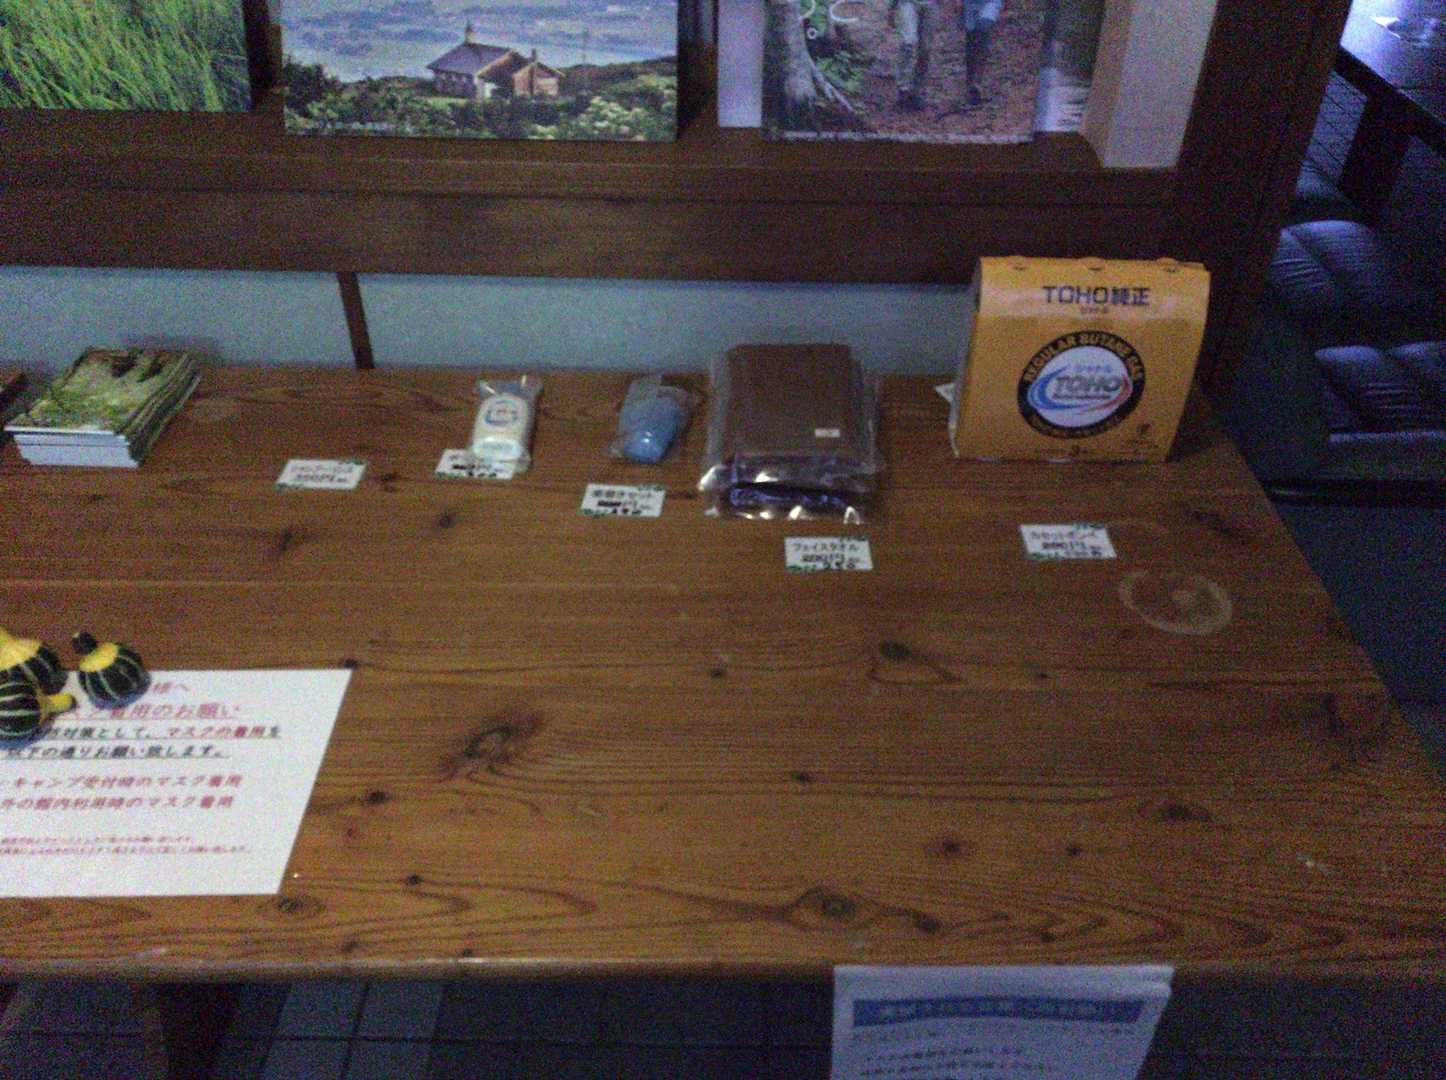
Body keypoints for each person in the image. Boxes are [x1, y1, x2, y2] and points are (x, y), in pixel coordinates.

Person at [889, 0, 937, 110]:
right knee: (908, 42)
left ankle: (917, 90)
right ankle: (903, 87)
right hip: (907, 3)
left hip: (931, 4)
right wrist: (892, 6)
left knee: (925, 48)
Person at [960, 0, 1001, 108]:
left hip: (990, 3)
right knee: (971, 43)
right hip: (969, 4)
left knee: (983, 31)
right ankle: (969, 83)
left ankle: (977, 82)